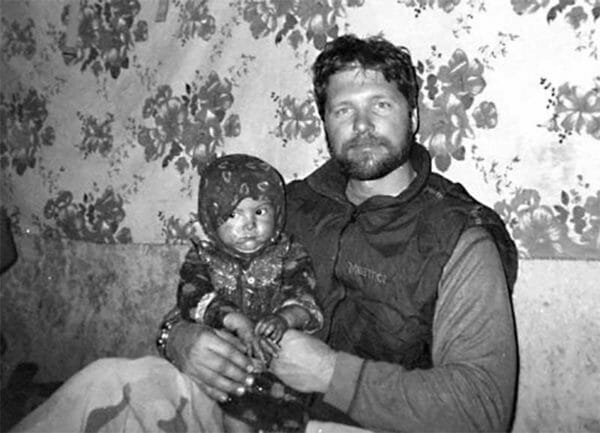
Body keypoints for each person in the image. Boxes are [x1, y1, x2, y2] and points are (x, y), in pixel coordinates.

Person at [10, 34, 518, 433]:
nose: (361, 124)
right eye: (343, 110)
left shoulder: (458, 236)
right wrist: (178, 337)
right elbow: (206, 290)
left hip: (363, 428)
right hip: (244, 410)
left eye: (380, 105)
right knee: (105, 383)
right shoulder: (285, 205)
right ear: (325, 123)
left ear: (413, 116)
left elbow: (482, 411)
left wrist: (329, 373)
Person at [170, 153, 323, 432]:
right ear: (211, 218)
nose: (249, 224)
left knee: (291, 419)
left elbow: (304, 297)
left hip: (280, 367)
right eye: (233, 214)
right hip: (223, 366)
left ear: (277, 213)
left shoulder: (289, 253)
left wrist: (285, 318)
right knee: (235, 420)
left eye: (260, 212)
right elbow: (192, 299)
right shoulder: (202, 258)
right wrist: (233, 319)